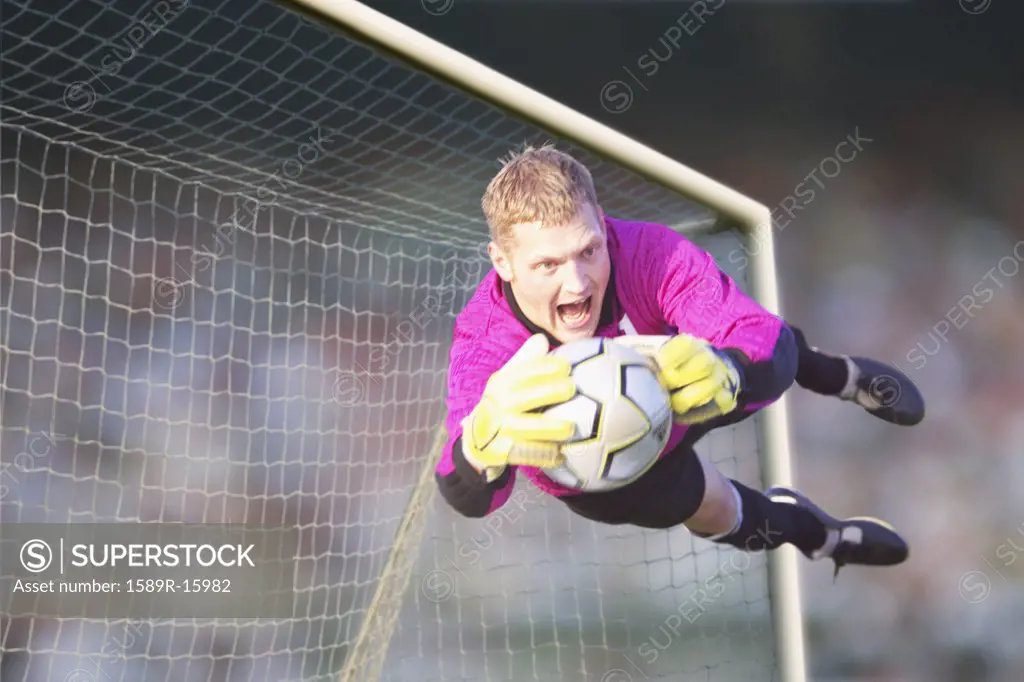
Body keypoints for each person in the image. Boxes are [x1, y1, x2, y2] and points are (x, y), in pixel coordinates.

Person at [435, 144, 923, 577]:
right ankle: (818, 536)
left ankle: (840, 375)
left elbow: (752, 334)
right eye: (548, 265)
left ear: (603, 224)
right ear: (502, 262)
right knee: (718, 509)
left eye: (588, 250)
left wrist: (728, 369)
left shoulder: (650, 251)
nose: (578, 283)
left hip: (688, 388)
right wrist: (480, 451)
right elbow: (466, 494)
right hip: (607, 473)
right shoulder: (484, 340)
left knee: (775, 347)